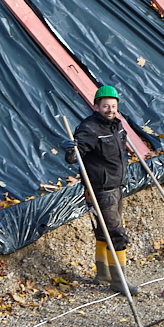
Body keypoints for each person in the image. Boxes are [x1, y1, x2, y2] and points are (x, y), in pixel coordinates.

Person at [64, 85, 138, 293]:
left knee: (104, 231)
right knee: (116, 233)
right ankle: (118, 281)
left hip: (116, 185)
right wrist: (70, 150)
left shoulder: (117, 125)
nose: (110, 110)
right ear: (96, 107)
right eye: (106, 106)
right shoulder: (89, 129)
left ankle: (103, 274)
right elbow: (74, 157)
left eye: (113, 106)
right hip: (100, 189)